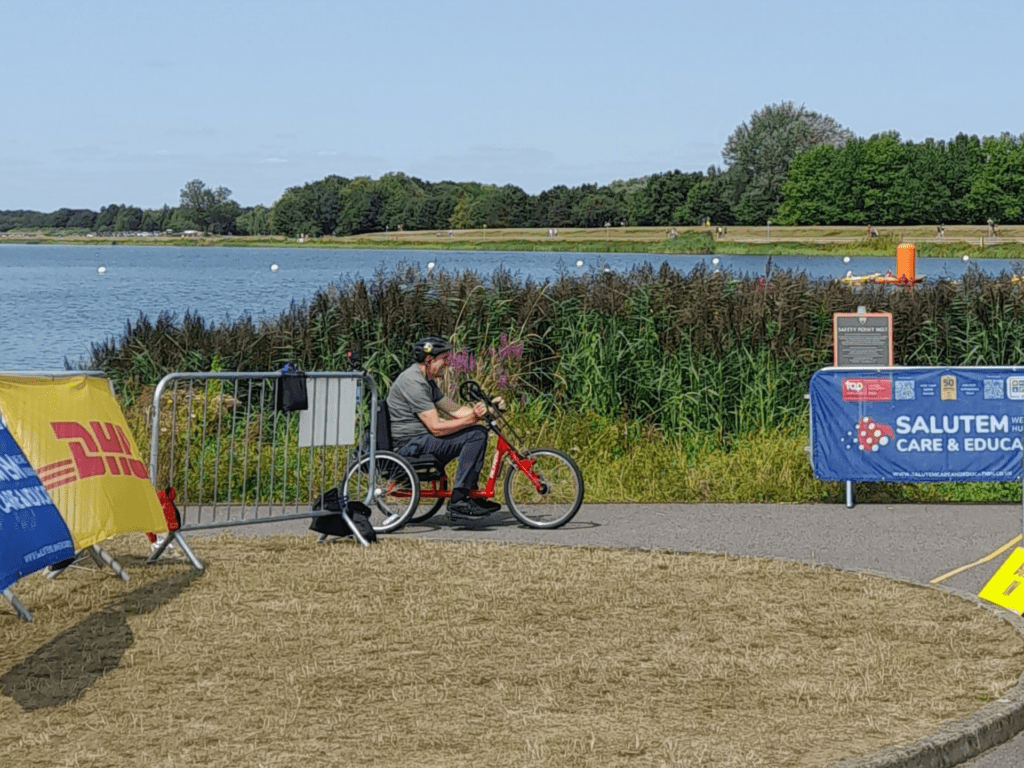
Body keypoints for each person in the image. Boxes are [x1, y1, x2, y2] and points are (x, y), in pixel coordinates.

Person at [387, 336, 504, 520]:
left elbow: (455, 410)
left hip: (420, 440)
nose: (447, 364)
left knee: (477, 432)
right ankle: (459, 499)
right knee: (475, 435)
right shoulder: (413, 382)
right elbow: (436, 428)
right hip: (408, 445)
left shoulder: (427, 381)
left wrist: (488, 411)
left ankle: (469, 494)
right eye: (444, 359)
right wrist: (473, 418)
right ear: (429, 360)